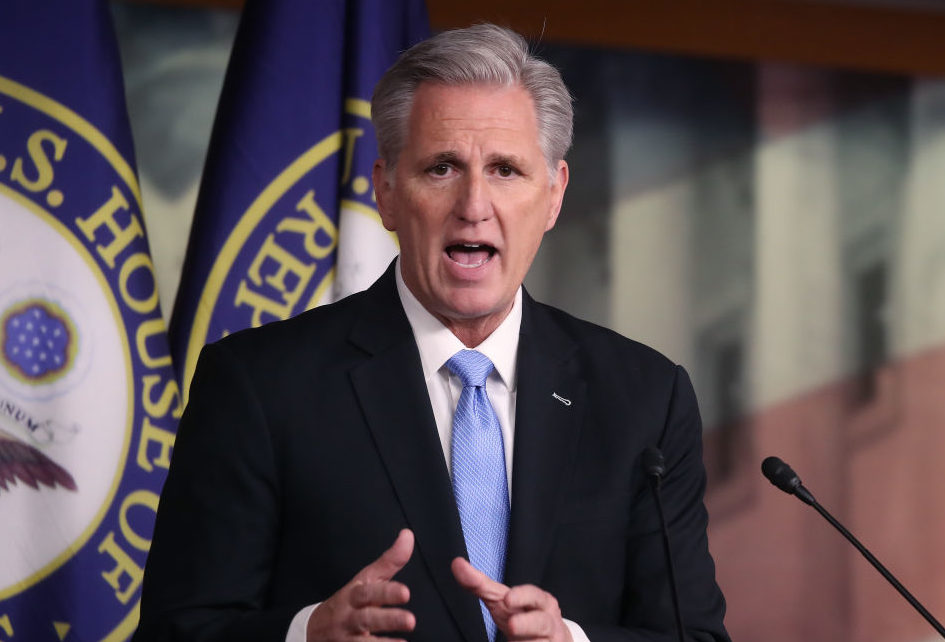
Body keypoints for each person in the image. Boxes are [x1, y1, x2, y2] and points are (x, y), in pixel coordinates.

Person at [134, 24, 729, 642]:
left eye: (505, 170)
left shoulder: (643, 399)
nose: (474, 205)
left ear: (554, 196)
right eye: (442, 168)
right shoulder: (259, 386)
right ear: (387, 192)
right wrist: (307, 634)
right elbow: (177, 631)